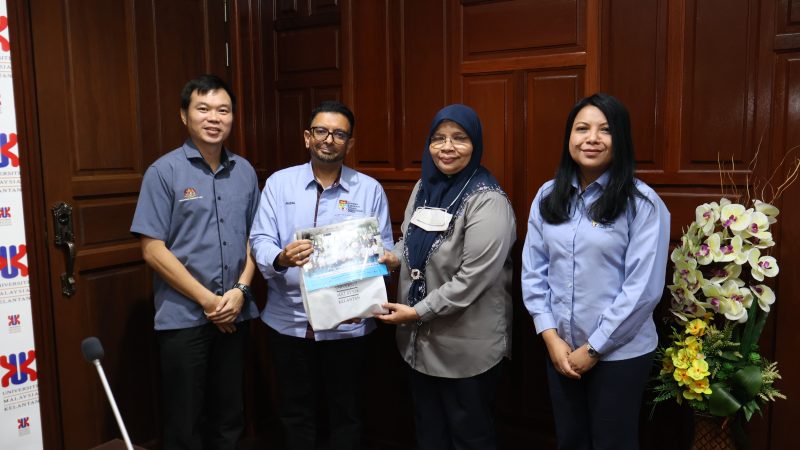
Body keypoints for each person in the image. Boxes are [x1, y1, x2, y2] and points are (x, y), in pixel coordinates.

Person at [521, 93, 670, 450]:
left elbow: (643, 290)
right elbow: (533, 272)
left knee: (613, 443)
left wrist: (593, 349)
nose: (592, 138)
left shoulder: (642, 203)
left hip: (619, 354)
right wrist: (551, 337)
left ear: (621, 139)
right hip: (561, 349)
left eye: (605, 130)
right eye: (582, 129)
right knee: (570, 440)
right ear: (569, 137)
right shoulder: (547, 196)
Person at [249, 100, 393, 450]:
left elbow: (385, 248)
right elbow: (260, 239)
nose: (329, 139)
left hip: (348, 327)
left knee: (347, 415)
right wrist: (281, 257)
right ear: (307, 137)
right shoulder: (279, 184)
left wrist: (378, 272)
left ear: (350, 143)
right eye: (321, 131)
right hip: (289, 323)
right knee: (295, 415)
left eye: (339, 134)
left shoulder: (369, 189)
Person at [130, 74, 260, 449]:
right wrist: (209, 301)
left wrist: (241, 290)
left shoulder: (245, 172)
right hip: (184, 317)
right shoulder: (163, 172)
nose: (214, 118)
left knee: (230, 416)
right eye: (203, 109)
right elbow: (152, 249)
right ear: (184, 116)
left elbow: (257, 239)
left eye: (223, 110)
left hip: (235, 312)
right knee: (184, 422)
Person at [378, 104, 515, 450]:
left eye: (459, 138)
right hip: (419, 345)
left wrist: (416, 312)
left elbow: (472, 279)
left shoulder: (488, 202)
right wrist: (393, 256)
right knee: (430, 433)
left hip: (465, 350)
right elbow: (408, 238)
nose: (447, 147)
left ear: (475, 144)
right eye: (438, 138)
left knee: (470, 438)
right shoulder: (423, 187)